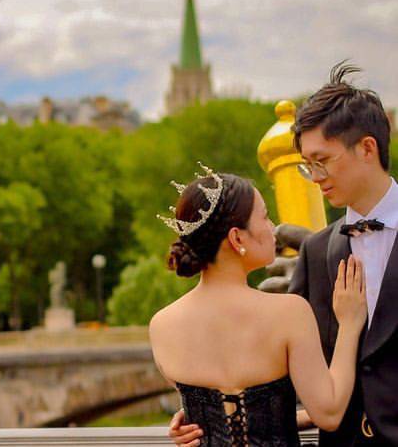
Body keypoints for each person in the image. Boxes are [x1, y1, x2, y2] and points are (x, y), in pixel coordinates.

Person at [168, 62, 398, 446]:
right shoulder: (317, 250)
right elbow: (281, 372)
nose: (315, 176)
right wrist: (212, 412)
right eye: (308, 165)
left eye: (322, 160)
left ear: (367, 148)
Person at [152, 164, 366, 445]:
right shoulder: (288, 312)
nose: (272, 227)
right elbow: (329, 412)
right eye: (264, 218)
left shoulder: (162, 325)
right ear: (237, 238)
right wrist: (350, 324)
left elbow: (230, 414)